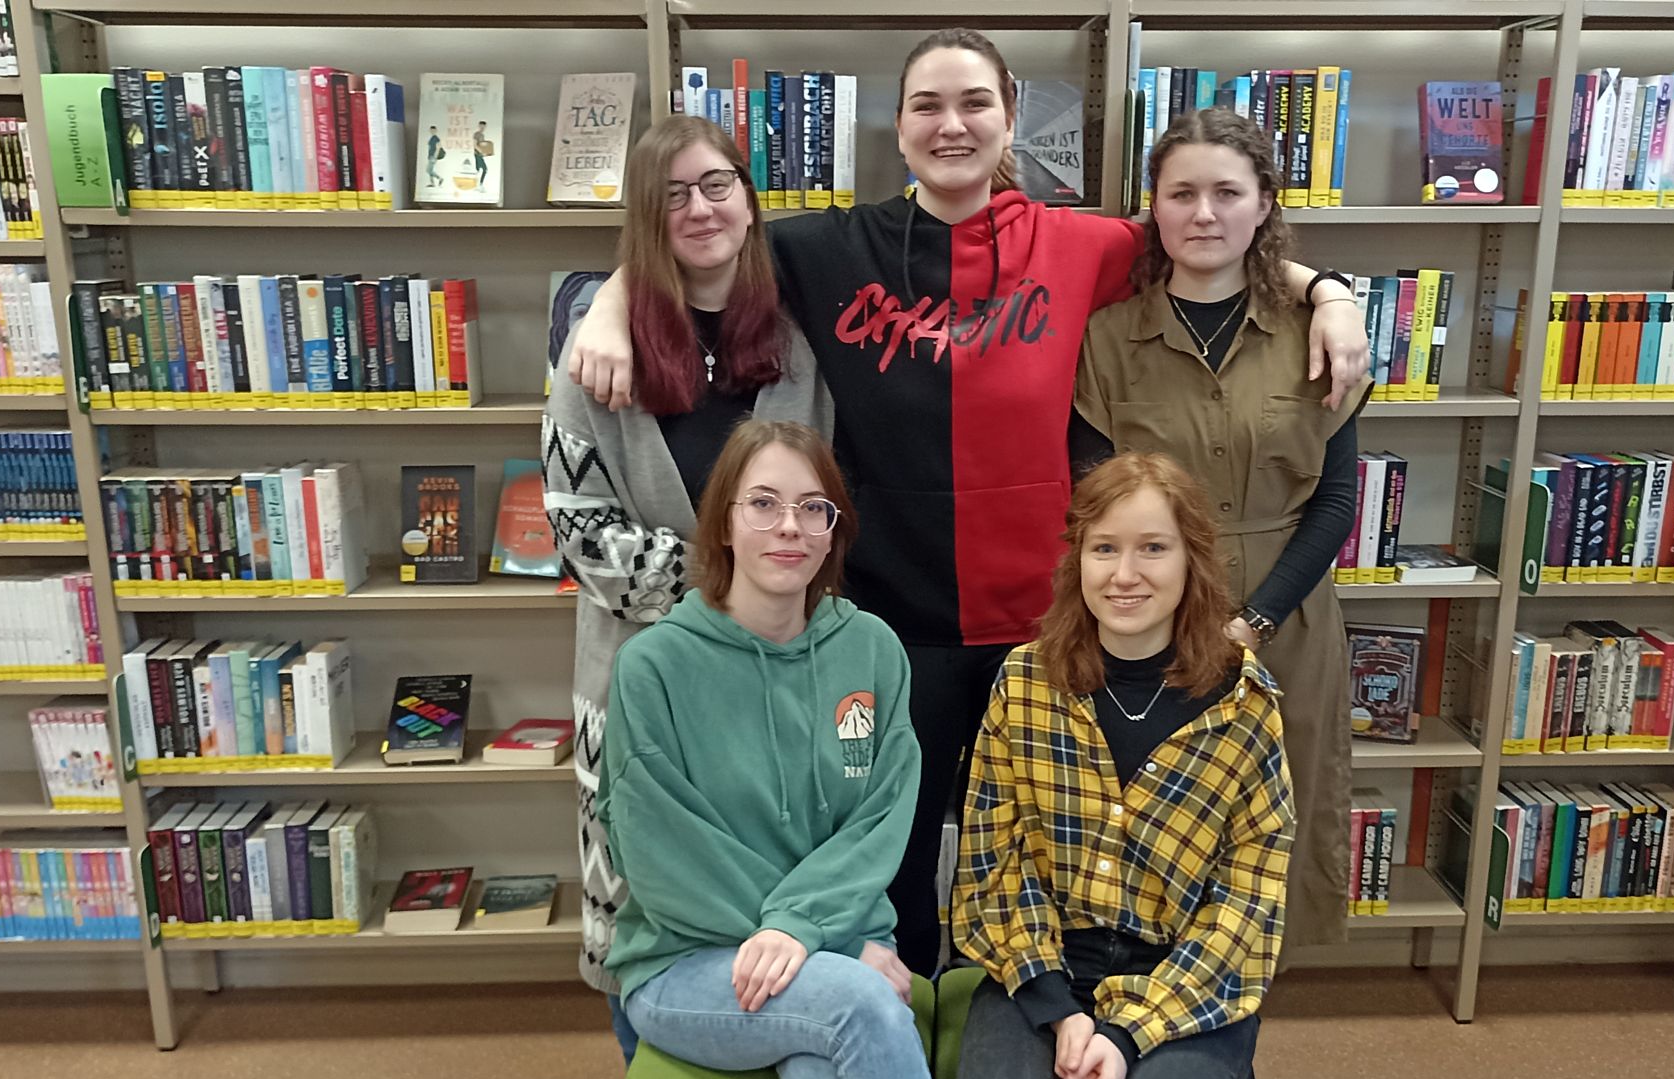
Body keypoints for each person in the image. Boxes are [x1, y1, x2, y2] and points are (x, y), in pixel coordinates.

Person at [568, 27, 1368, 976]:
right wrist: (608, 301)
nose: (953, 125)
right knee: (891, 858)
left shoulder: (1082, 244)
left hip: (1046, 628)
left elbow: (1213, 242)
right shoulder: (828, 248)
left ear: (1011, 118)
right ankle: (900, 1061)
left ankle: (1031, 1046)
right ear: (898, 129)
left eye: (975, 103)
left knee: (1044, 859)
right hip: (884, 625)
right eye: (927, 107)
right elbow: (701, 237)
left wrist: (1331, 293)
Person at [541, 114, 830, 1079]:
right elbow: (579, 527)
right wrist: (737, 587)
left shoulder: (792, 351)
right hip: (638, 687)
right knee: (645, 914)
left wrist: (764, 589)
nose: (699, 209)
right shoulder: (593, 354)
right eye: (671, 194)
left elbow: (819, 502)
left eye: (716, 185)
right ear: (643, 219)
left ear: (749, 199)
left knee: (767, 900)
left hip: (771, 688)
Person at [1075, 107, 1370, 959]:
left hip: (1290, 627)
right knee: (1157, 841)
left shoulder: (1315, 335)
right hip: (1147, 632)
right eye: (1183, 193)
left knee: (1268, 848)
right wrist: (1183, 629)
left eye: (1227, 192)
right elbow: (1093, 505)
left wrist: (1256, 623)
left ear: (1265, 204)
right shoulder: (1106, 340)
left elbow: (1337, 501)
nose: (1205, 214)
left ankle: (1235, 1069)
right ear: (1154, 211)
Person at [598, 419, 938, 1079]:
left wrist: (811, 935)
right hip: (686, 959)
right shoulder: (652, 668)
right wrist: (824, 942)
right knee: (862, 1006)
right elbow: (662, 856)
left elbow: (880, 819)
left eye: (814, 507)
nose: (791, 527)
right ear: (722, 521)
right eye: (763, 503)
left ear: (834, 529)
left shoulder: (871, 650)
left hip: (827, 943)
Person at [949, 452, 1293, 1079]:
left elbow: (1247, 907)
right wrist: (1061, 1013)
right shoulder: (1024, 683)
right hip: (1039, 969)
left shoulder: (1245, 704)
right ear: (1077, 560)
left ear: (1190, 560)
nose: (1125, 574)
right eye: (1104, 548)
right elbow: (992, 867)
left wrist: (1129, 1031)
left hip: (1184, 981)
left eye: (1153, 548)